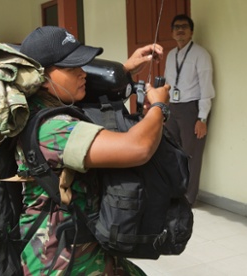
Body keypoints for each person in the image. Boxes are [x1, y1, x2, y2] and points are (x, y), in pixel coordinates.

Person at [17, 26, 170, 275]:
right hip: (58, 261)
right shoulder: (51, 128)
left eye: (83, 65)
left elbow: (87, 91)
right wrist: (159, 107)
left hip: (82, 247)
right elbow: (138, 147)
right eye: (71, 68)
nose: (83, 74)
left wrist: (125, 70)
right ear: (41, 78)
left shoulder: (48, 104)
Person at [164, 14, 216, 205]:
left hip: (191, 110)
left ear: (191, 31)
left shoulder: (200, 54)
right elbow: (168, 84)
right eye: (176, 27)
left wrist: (202, 118)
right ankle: (174, 192)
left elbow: (206, 88)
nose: (180, 30)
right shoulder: (171, 55)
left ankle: (188, 198)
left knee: (191, 155)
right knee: (171, 152)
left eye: (184, 27)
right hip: (173, 108)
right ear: (172, 32)